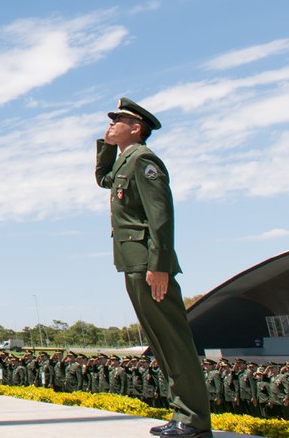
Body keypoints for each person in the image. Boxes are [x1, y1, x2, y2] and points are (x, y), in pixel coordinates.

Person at [96, 97, 213, 438]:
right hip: (133, 262)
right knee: (161, 342)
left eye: (118, 120)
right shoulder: (125, 162)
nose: (110, 123)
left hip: (149, 264)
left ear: (137, 128)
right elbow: (104, 179)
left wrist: (159, 264)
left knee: (174, 341)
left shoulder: (144, 159)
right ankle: (185, 414)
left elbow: (160, 216)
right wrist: (107, 142)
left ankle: (193, 420)